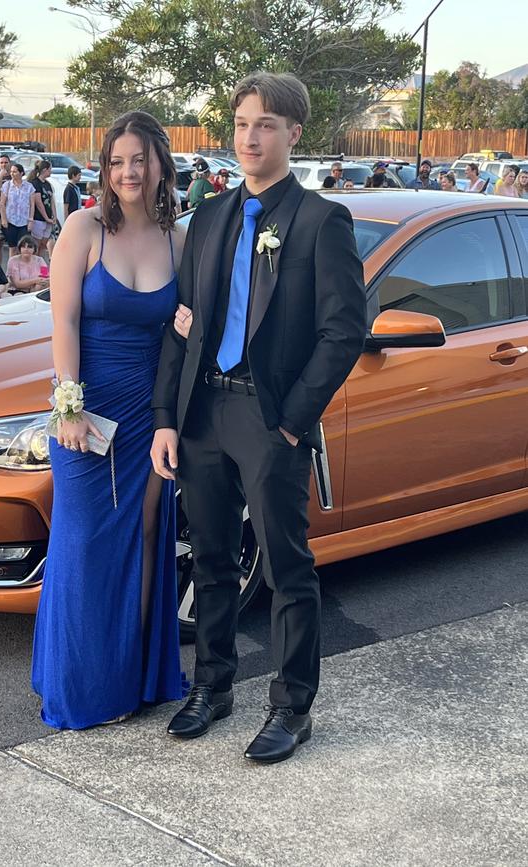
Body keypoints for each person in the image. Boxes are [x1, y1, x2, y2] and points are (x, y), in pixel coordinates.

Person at [151, 71, 367, 764]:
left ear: (293, 134)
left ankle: (292, 704)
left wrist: (291, 421)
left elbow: (344, 331)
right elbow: (181, 326)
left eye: (266, 125)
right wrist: (166, 416)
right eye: (243, 122)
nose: (250, 136)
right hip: (203, 411)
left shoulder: (319, 221)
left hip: (268, 416)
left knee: (284, 566)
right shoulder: (209, 216)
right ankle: (211, 685)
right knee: (211, 558)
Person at [31, 110, 193, 730]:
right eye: (117, 160)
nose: (129, 171)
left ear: (160, 165)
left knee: (148, 534)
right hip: (88, 412)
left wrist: (186, 326)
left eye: (140, 159)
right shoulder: (83, 228)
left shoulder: (177, 239)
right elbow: (63, 322)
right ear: (105, 169)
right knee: (83, 539)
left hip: (152, 412)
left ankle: (136, 677)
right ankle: (82, 683)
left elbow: (188, 324)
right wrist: (68, 404)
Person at [0, 163, 36, 255]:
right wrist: (4, 219)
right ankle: (12, 268)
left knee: (23, 247)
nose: (12, 174)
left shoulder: (29, 187)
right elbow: (2, 204)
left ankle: (22, 267)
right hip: (10, 221)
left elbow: (32, 204)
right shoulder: (7, 185)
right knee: (12, 247)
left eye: (15, 172)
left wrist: (31, 220)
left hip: (24, 221)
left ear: (21, 173)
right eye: (11, 172)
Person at [28, 159, 56, 259]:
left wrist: (54, 216)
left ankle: (40, 266)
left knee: (43, 245)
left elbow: (52, 200)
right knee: (36, 244)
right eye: (50, 169)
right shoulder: (35, 183)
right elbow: (38, 202)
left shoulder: (47, 184)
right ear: (45, 170)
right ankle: (33, 266)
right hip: (38, 218)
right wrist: (46, 217)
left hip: (48, 219)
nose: (51, 171)